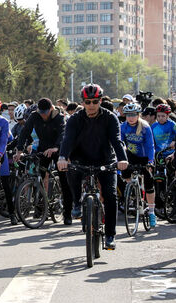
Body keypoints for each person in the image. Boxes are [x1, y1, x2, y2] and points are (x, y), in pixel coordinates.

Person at [58, 84, 128, 250]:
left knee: (110, 196)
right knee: (70, 170)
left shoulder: (110, 118)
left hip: (105, 159)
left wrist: (122, 159)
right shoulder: (75, 119)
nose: (91, 105)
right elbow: (67, 139)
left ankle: (110, 235)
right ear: (82, 102)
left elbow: (116, 140)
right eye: (88, 102)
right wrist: (62, 157)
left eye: (95, 101)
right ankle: (77, 202)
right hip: (80, 158)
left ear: (100, 101)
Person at [14, 98, 72, 224]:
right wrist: (19, 150)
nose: (43, 115)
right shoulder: (35, 116)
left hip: (58, 149)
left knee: (64, 179)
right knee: (37, 176)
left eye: (45, 112)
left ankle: (67, 213)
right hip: (43, 149)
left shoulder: (59, 117)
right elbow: (25, 132)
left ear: (51, 109)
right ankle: (40, 208)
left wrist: (56, 147)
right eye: (41, 112)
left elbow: (63, 134)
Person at [119, 103, 157, 228]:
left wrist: (150, 161)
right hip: (131, 155)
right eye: (128, 115)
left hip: (144, 156)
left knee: (149, 180)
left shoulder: (145, 127)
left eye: (133, 115)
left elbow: (150, 146)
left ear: (138, 115)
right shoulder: (123, 127)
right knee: (124, 169)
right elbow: (120, 143)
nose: (131, 118)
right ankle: (133, 189)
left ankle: (151, 212)